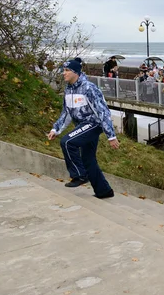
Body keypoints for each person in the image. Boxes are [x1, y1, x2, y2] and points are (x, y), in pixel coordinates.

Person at [48, 58, 120, 198]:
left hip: (93, 124)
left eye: (67, 70)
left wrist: (111, 136)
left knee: (67, 142)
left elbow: (103, 112)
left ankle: (79, 175)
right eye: (64, 70)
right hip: (81, 126)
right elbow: (66, 113)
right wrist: (55, 129)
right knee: (88, 159)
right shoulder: (68, 90)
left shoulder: (89, 88)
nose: (64, 73)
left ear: (76, 72)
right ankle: (104, 191)